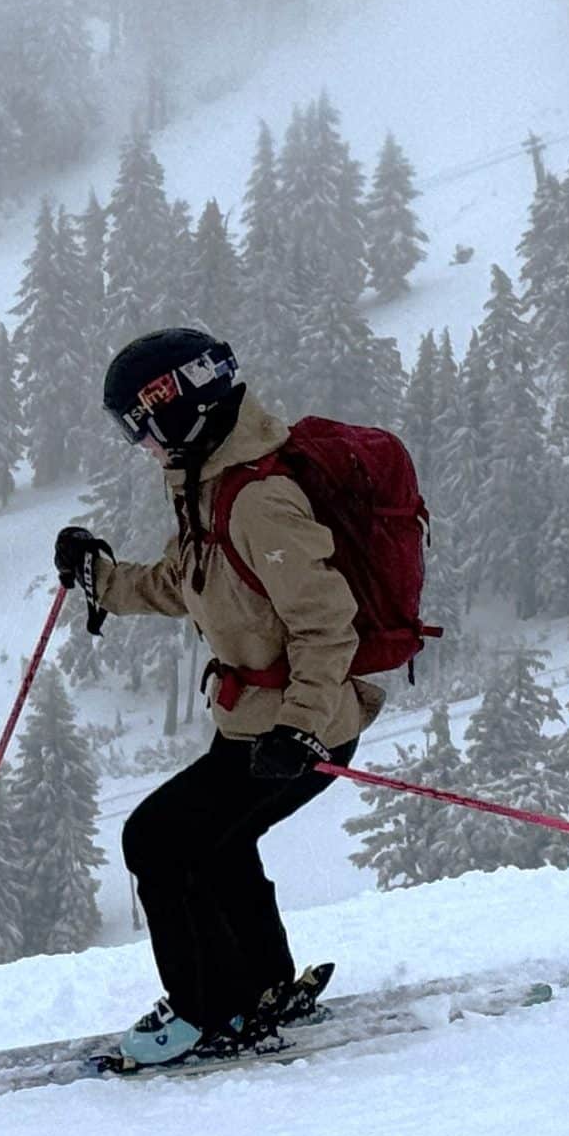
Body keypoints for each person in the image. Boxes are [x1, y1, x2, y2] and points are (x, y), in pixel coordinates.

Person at [53, 326, 378, 1066]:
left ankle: (205, 1012)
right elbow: (184, 583)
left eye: (140, 428)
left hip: (302, 725)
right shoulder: (211, 485)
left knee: (156, 841)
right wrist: (99, 579)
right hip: (260, 724)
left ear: (179, 409)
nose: (139, 445)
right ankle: (257, 986)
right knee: (214, 844)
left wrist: (298, 730)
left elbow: (329, 628)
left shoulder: (259, 501)